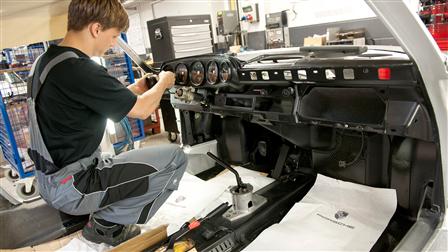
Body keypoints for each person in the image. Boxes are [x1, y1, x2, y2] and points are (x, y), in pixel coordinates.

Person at [26, 0, 187, 246]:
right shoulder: (79, 68)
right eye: (113, 36)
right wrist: (165, 81)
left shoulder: (48, 62)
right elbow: (143, 110)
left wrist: (138, 88)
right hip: (75, 185)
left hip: (50, 180)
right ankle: (107, 227)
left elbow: (99, 102)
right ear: (96, 29)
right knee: (175, 158)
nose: (113, 44)